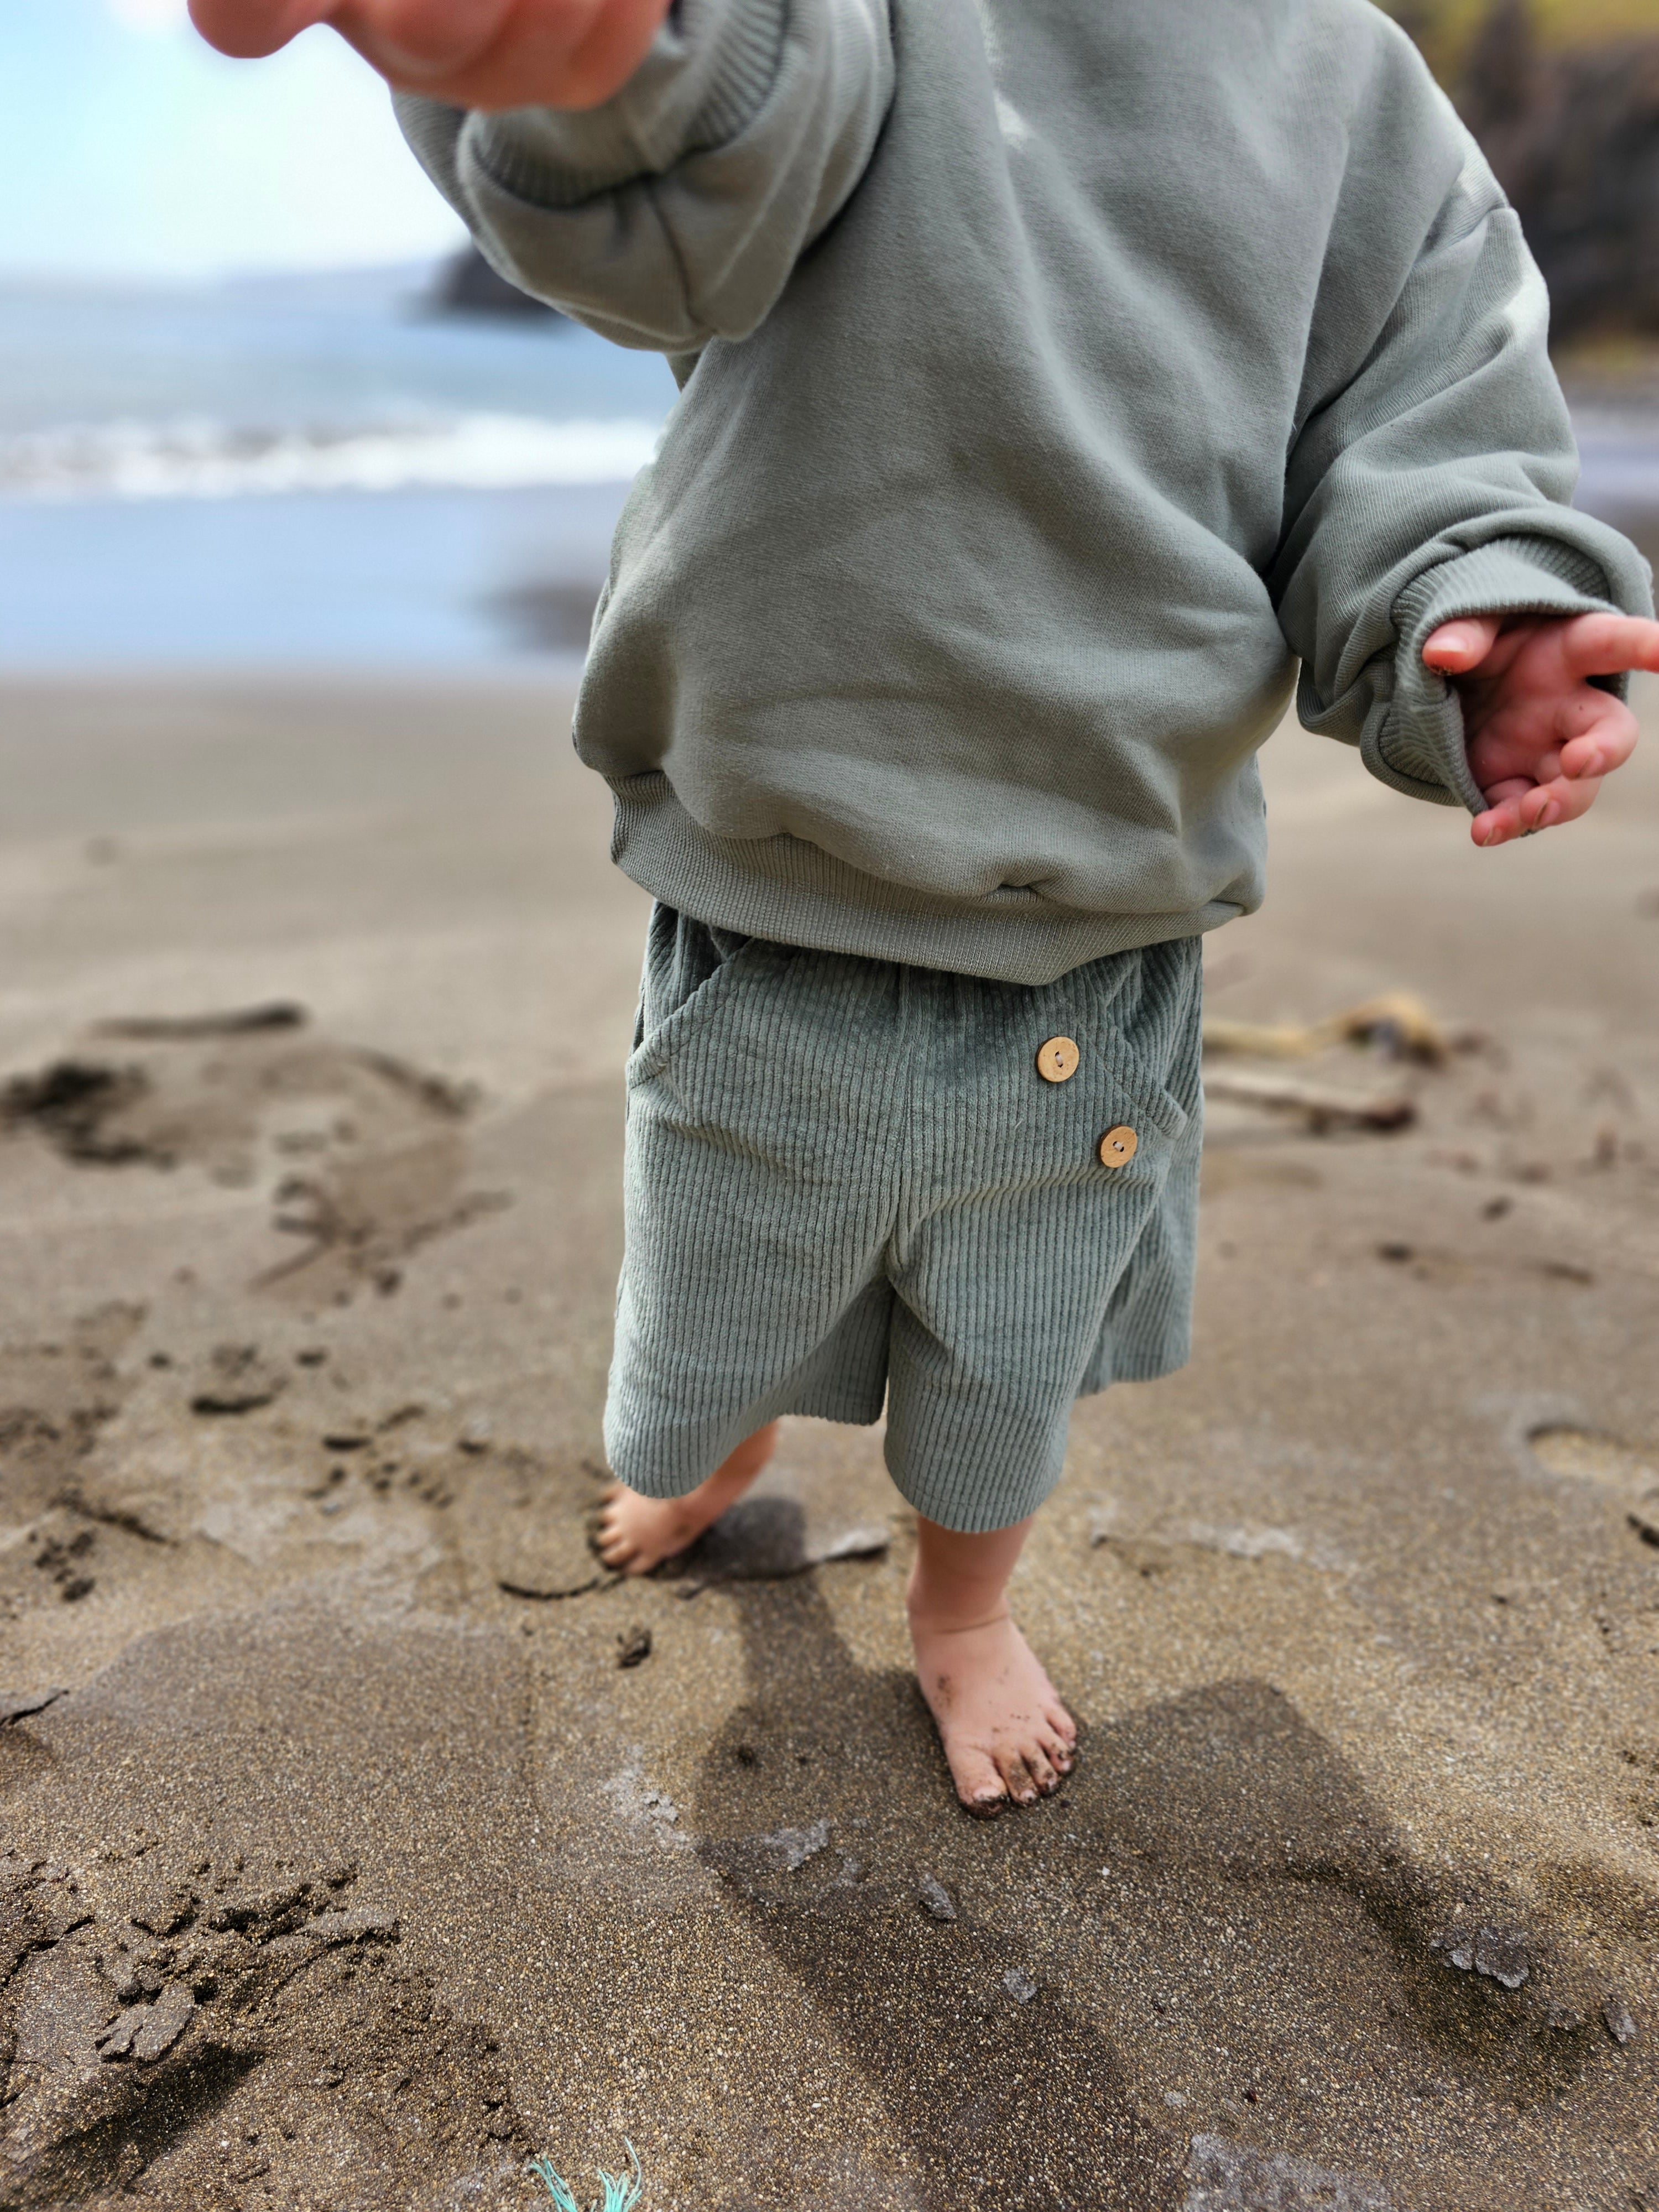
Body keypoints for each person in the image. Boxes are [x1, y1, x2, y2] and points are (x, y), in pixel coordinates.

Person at [195, 0, 1658, 1815]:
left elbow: (1426, 424)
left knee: (1005, 1359)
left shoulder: (1348, 80)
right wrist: (609, 61)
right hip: (779, 870)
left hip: (1099, 922)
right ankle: (722, 1449)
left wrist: (1482, 617)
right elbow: (698, 166)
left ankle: (962, 1618)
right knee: (716, 1291)